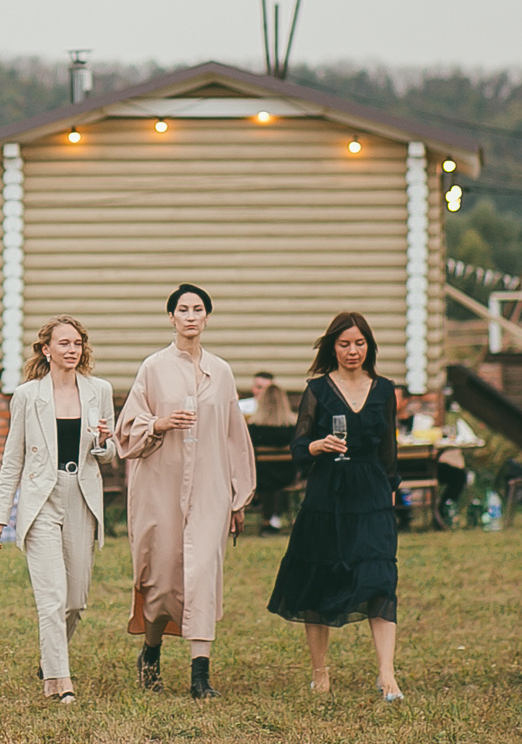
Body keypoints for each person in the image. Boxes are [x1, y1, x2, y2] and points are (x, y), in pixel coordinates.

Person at [114, 284, 255, 699]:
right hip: (161, 485)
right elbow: (127, 432)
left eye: (198, 309)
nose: (190, 316)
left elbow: (234, 436)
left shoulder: (222, 372)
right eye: (183, 309)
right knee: (161, 579)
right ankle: (152, 650)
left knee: (203, 574)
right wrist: (158, 423)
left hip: (210, 488)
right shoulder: (153, 368)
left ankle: (200, 676)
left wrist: (238, 497)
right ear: (171, 318)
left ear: (207, 317)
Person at [265, 312, 404, 701]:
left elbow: (388, 451)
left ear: (369, 347)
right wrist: (317, 446)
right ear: (333, 348)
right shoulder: (318, 390)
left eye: (359, 343)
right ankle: (320, 674)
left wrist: (390, 492)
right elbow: (297, 447)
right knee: (319, 582)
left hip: (372, 495)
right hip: (327, 495)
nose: (352, 351)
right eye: (344, 344)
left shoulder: (384, 390)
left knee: (380, 580)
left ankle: (387, 676)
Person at [0, 317, 116, 702]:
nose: (72, 349)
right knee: (51, 597)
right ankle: (59, 683)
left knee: (76, 600)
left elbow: (109, 455)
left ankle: (51, 656)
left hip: (82, 495)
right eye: (63, 343)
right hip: (41, 498)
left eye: (77, 343)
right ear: (46, 349)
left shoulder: (100, 391)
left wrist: (104, 442)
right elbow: (13, 459)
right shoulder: (27, 395)